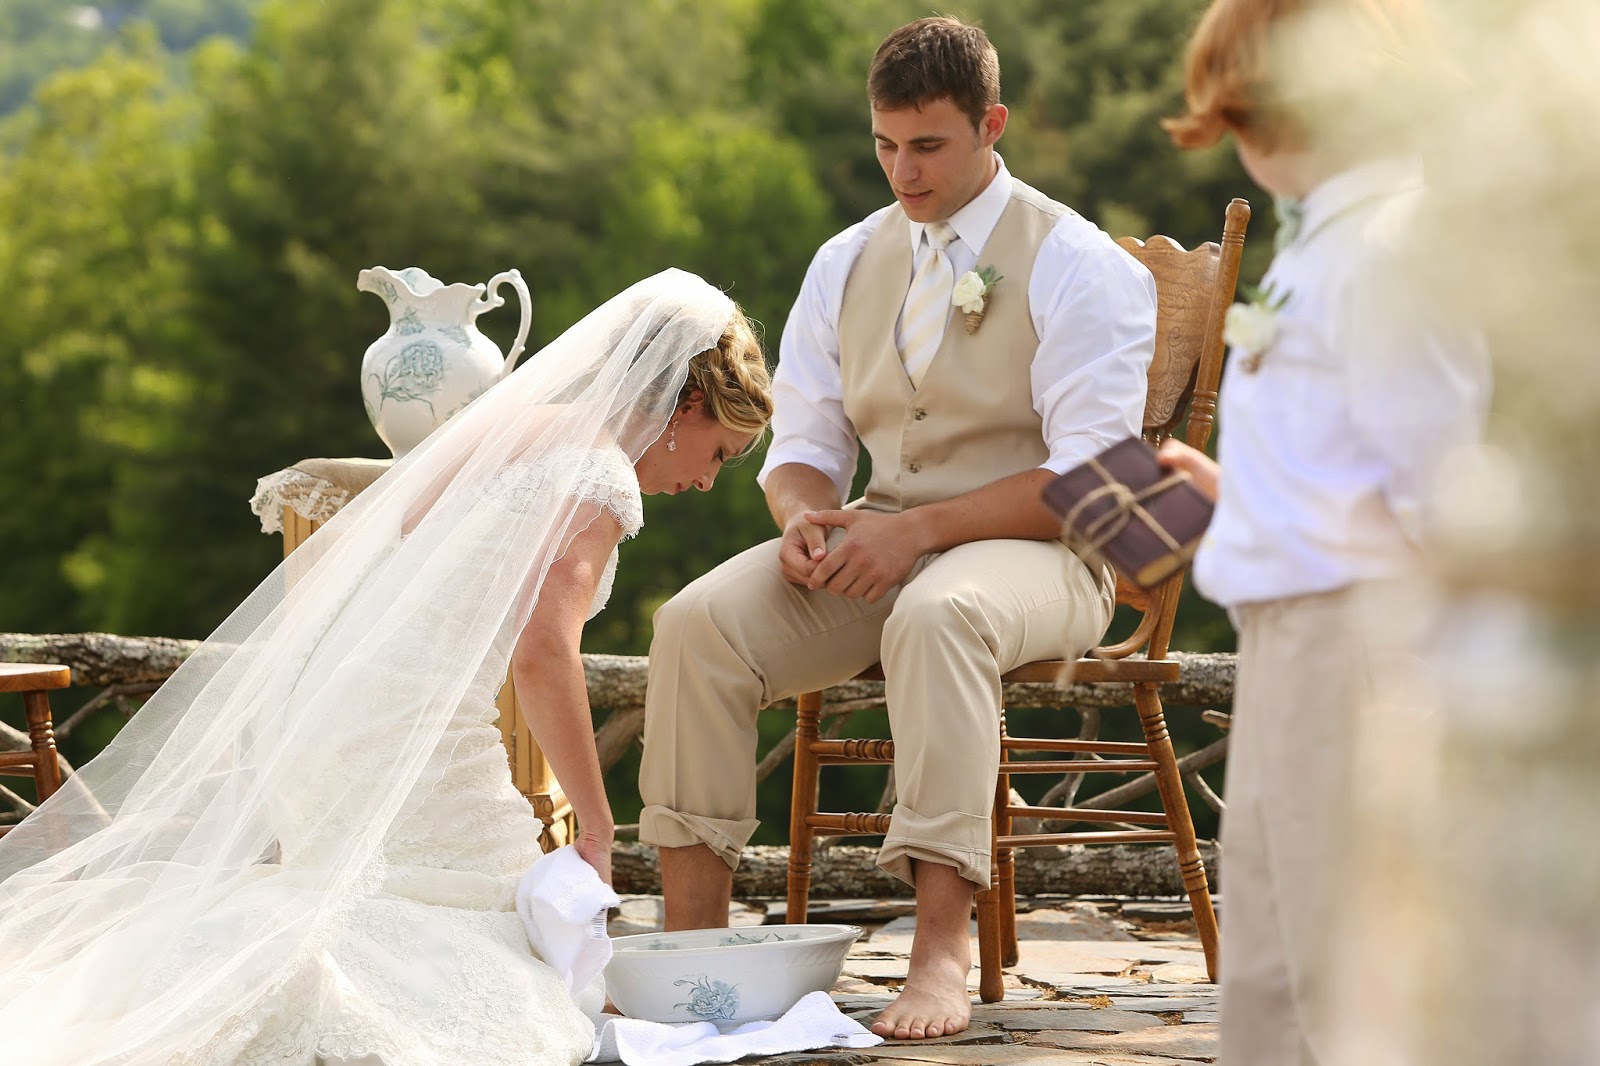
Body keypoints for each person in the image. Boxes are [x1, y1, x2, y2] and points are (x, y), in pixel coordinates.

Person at [0, 269, 774, 1066]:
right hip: (406, 738)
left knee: (400, 908)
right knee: (510, 971)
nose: (707, 480)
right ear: (685, 406)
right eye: (720, 452)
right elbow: (545, 656)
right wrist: (601, 824)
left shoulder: (516, 428)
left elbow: (360, 544)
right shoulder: (602, 478)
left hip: (322, 719)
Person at [638, 17, 1158, 1041]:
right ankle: (689, 951)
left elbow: (1097, 479)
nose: (901, 170)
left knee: (938, 615)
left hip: (1054, 557)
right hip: (881, 540)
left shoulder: (1076, 262)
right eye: (884, 144)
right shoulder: (844, 260)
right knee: (696, 624)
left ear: (990, 124)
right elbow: (805, 442)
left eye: (927, 145)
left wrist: (917, 535)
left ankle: (937, 951)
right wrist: (799, 520)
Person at [1154, 2, 1488, 1063]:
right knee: (1268, 946)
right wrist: (1232, 492)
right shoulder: (1328, 246)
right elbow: (1340, 455)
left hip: (1352, 643)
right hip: (1288, 634)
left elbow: (1436, 480)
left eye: (1244, 114)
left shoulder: (1390, 254)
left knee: (1334, 955)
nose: (1240, 144)